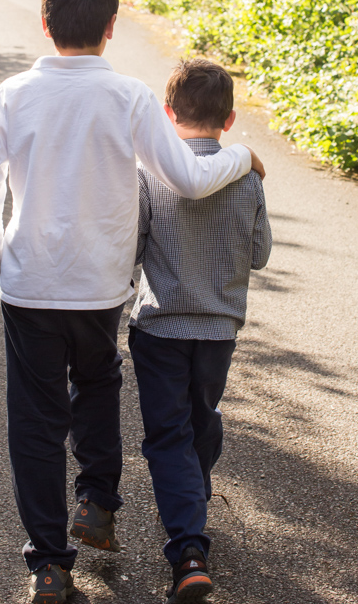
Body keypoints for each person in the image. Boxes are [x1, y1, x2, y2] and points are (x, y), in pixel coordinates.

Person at [0, 0, 266, 604]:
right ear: (111, 27)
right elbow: (189, 179)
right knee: (98, 382)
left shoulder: (12, 94)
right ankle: (97, 499)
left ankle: (51, 565)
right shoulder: (129, 95)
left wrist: (2, 267)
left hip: (29, 285)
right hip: (100, 287)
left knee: (35, 421)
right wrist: (243, 156)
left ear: (44, 23)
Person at [128, 58, 272, 603]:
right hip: (218, 331)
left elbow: (132, 248)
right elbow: (259, 254)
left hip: (160, 327)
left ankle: (189, 551)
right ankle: (195, 491)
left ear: (168, 114)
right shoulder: (248, 178)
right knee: (201, 416)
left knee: (169, 435)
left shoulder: (150, 175)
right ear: (229, 119)